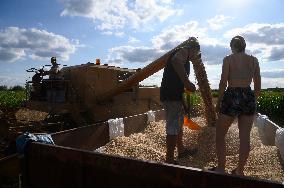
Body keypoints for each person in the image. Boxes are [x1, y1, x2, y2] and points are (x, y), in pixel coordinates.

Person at [214, 35, 261, 175]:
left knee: (220, 135)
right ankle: (239, 171)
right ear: (244, 46)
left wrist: (219, 101)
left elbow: (223, 82)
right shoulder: (254, 60)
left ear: (233, 47)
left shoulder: (228, 59)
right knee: (245, 137)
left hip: (231, 95)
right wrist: (253, 99)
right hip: (248, 95)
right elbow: (258, 84)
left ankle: (221, 168)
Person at [160, 37, 199, 164]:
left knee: (178, 124)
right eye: (196, 53)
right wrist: (187, 82)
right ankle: (169, 159)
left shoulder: (185, 58)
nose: (196, 56)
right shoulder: (183, 51)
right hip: (171, 95)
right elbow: (176, 61)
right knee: (173, 125)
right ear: (192, 49)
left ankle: (181, 151)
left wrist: (184, 96)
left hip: (175, 95)